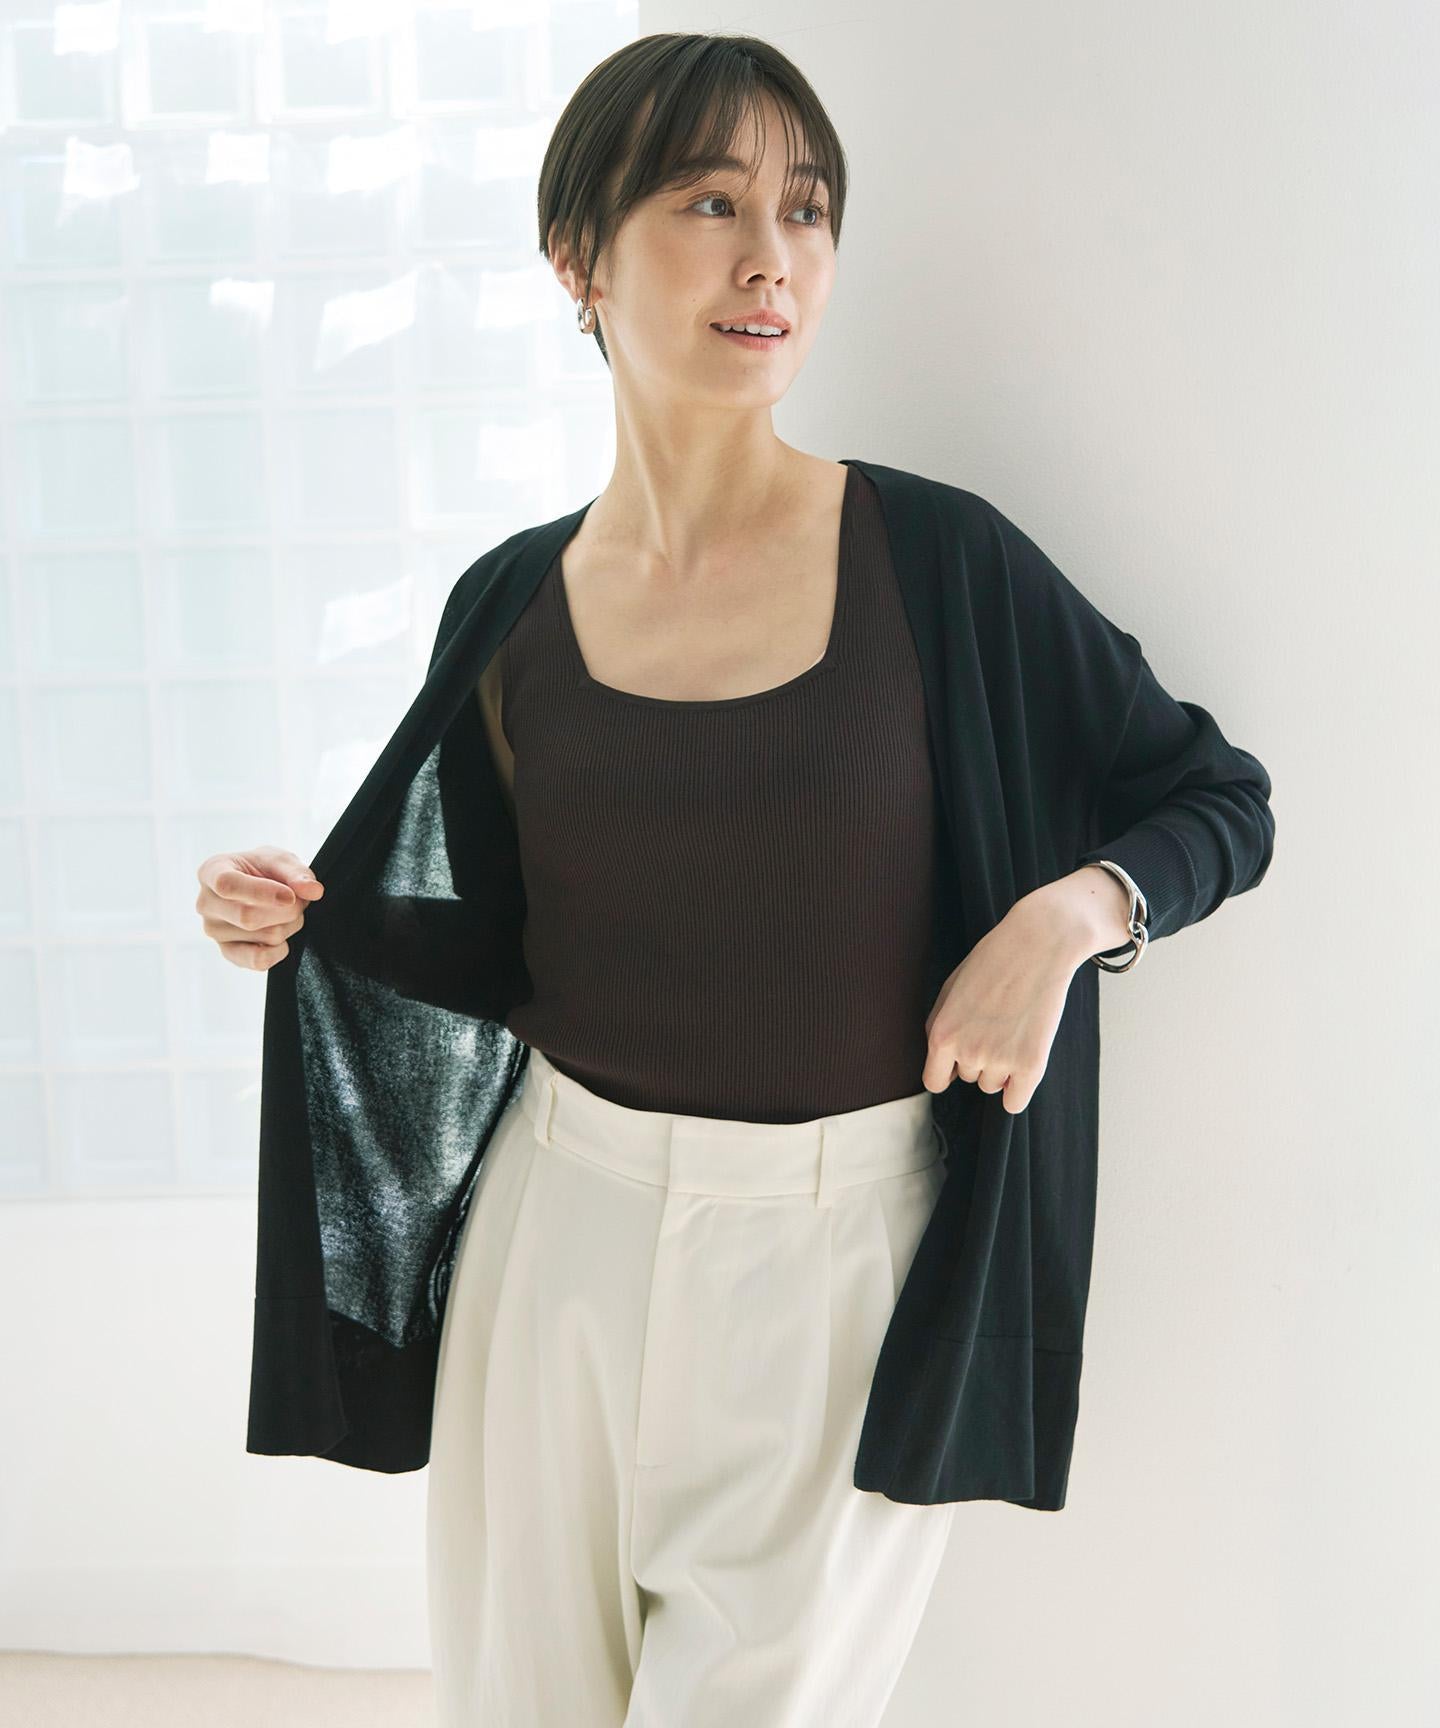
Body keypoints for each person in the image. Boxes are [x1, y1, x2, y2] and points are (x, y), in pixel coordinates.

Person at [195, 31, 1275, 1728]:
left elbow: (1215, 795)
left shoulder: (940, 564)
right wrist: (284, 918)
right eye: (712, 202)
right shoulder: (512, 602)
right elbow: (484, 947)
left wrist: (1070, 920)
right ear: (579, 256)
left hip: (840, 1268)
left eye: (809, 208)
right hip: (556, 1243)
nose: (774, 256)